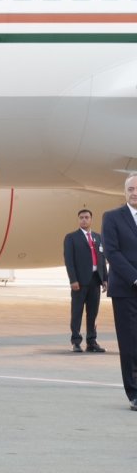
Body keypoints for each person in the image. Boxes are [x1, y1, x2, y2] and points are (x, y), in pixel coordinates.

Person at [102, 175, 137, 410]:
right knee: (130, 342)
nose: (134, 193)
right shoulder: (112, 217)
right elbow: (112, 252)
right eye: (130, 189)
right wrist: (135, 277)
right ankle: (134, 393)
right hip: (126, 289)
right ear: (124, 192)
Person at [64, 209, 107, 353]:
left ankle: (91, 341)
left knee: (93, 313)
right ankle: (76, 341)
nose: (84, 220)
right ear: (78, 220)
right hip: (79, 282)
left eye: (86, 217)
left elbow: (102, 260)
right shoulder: (71, 238)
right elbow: (69, 261)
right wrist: (73, 280)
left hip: (95, 280)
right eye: (81, 217)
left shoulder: (98, 237)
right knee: (77, 312)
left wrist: (105, 279)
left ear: (91, 219)